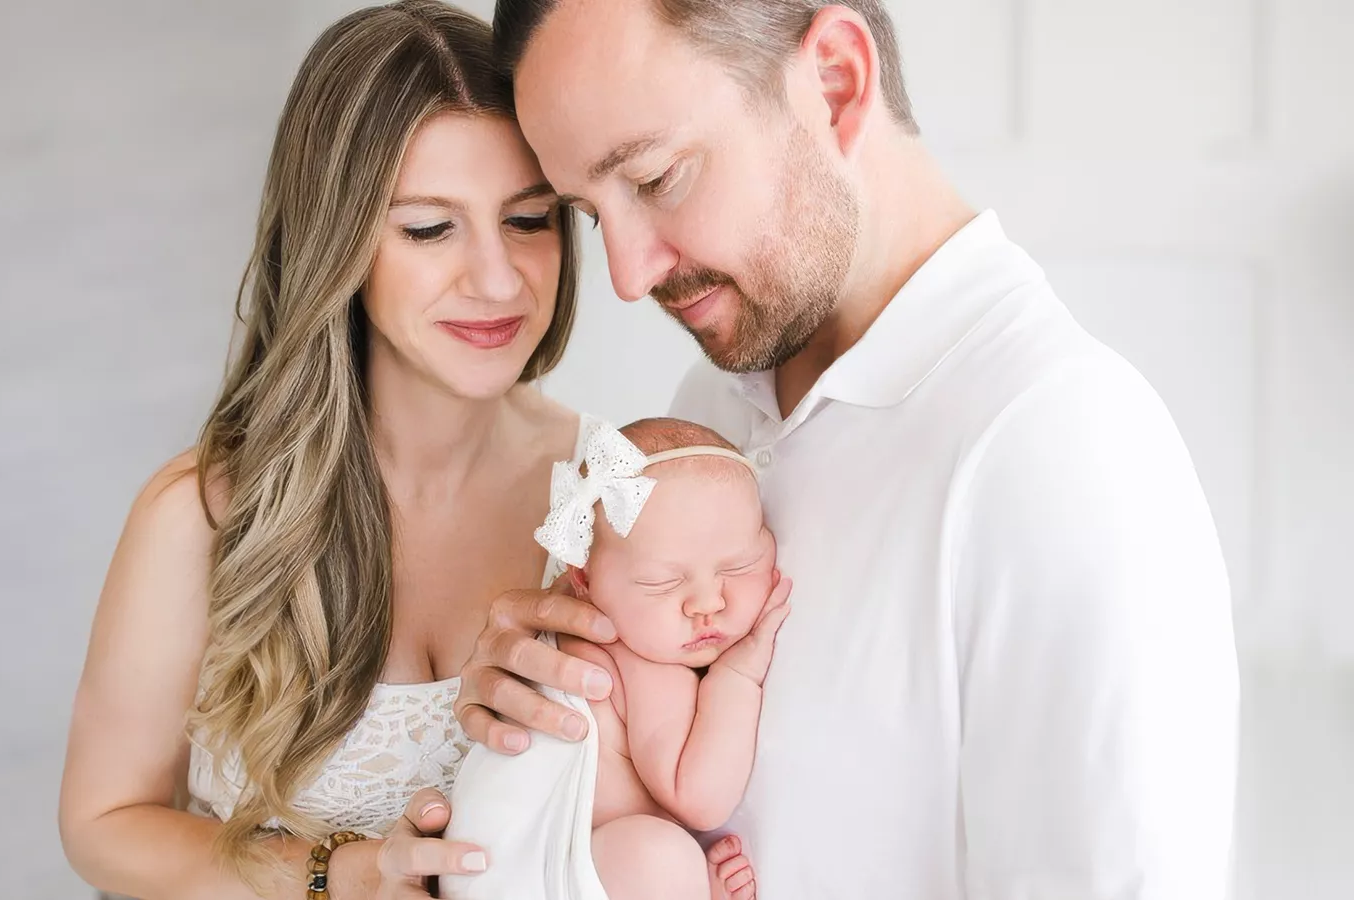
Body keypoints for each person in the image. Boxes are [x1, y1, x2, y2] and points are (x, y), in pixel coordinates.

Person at [444, 1, 1242, 897]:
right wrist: (540, 768)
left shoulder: (1063, 450)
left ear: (834, 82)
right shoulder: (709, 409)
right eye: (593, 215)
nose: (628, 278)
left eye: (658, 178)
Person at [58, 3, 594, 898]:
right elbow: (102, 823)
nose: (499, 279)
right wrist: (337, 875)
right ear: (335, 241)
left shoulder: (611, 492)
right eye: (429, 228)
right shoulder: (202, 515)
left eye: (529, 219)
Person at [442, 417, 789, 900]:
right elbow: (701, 799)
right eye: (662, 583)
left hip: (486, 870)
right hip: (531, 880)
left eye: (739, 565)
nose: (708, 602)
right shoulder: (631, 657)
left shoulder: (601, 625)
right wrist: (737, 675)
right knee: (662, 859)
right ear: (583, 579)